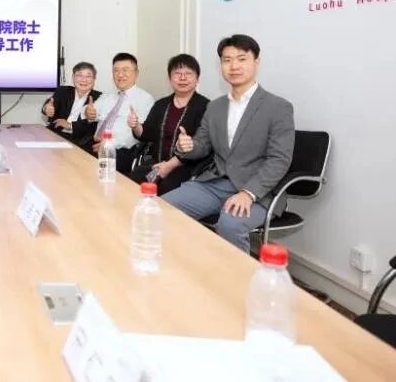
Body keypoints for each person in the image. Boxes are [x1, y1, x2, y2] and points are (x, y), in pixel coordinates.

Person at [163, 35, 295, 253]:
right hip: (215, 184)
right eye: (227, 60)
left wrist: (248, 193)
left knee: (230, 225)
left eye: (241, 59)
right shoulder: (215, 107)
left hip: (257, 191)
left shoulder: (278, 107)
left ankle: (239, 275)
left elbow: (279, 159)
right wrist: (188, 146)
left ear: (256, 62)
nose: (234, 66)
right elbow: (202, 145)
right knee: (160, 207)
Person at [127, 54, 210, 195]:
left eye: (188, 74)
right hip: (157, 162)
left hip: (186, 167)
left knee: (166, 190)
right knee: (132, 183)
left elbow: (205, 146)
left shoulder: (206, 107)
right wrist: (135, 125)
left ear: (197, 78)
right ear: (169, 78)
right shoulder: (161, 104)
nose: (182, 78)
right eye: (177, 73)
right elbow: (146, 134)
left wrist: (170, 165)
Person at [84, 52, 155, 172]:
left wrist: (110, 144)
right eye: (116, 70)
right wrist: (87, 111)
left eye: (125, 70)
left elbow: (139, 134)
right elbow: (90, 111)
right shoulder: (107, 97)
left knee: (90, 170)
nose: (120, 74)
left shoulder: (145, 99)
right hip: (95, 142)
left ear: (136, 73)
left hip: (121, 150)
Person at [41, 61, 102, 147]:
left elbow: (94, 127)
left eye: (88, 76)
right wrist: (46, 108)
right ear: (73, 77)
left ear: (94, 79)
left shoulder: (100, 98)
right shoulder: (63, 91)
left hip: (81, 142)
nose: (84, 80)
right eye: (79, 75)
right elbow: (50, 104)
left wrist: (71, 126)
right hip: (55, 136)